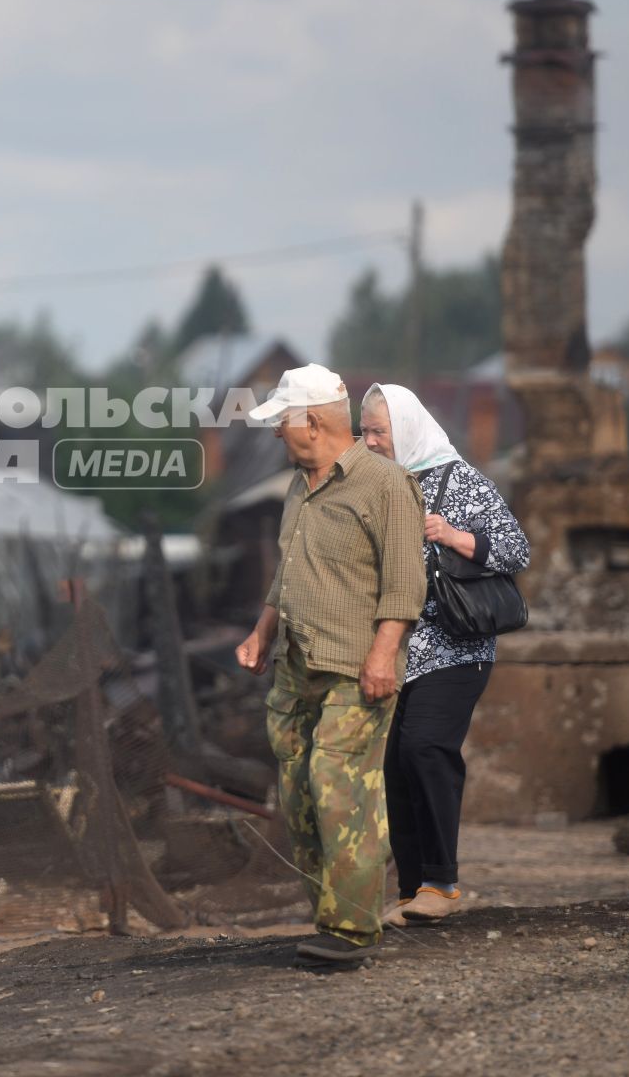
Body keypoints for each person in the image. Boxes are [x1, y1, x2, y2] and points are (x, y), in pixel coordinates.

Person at [235, 364, 427, 966]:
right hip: (297, 663)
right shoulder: (300, 483)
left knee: (339, 786)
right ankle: (328, 914)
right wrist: (262, 631)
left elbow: (405, 582)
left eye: (282, 423)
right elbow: (289, 571)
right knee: (298, 792)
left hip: (355, 666)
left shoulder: (385, 484)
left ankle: (352, 928)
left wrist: (382, 655)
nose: (275, 435)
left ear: (313, 423)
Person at [360, 383, 529, 925]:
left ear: (405, 429)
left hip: (457, 648)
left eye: (378, 431)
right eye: (363, 431)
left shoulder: (459, 480)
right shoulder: (383, 484)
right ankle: (413, 892)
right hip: (400, 651)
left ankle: (442, 882)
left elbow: (515, 548)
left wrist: (454, 536)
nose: (369, 441)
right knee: (395, 767)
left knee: (426, 750)